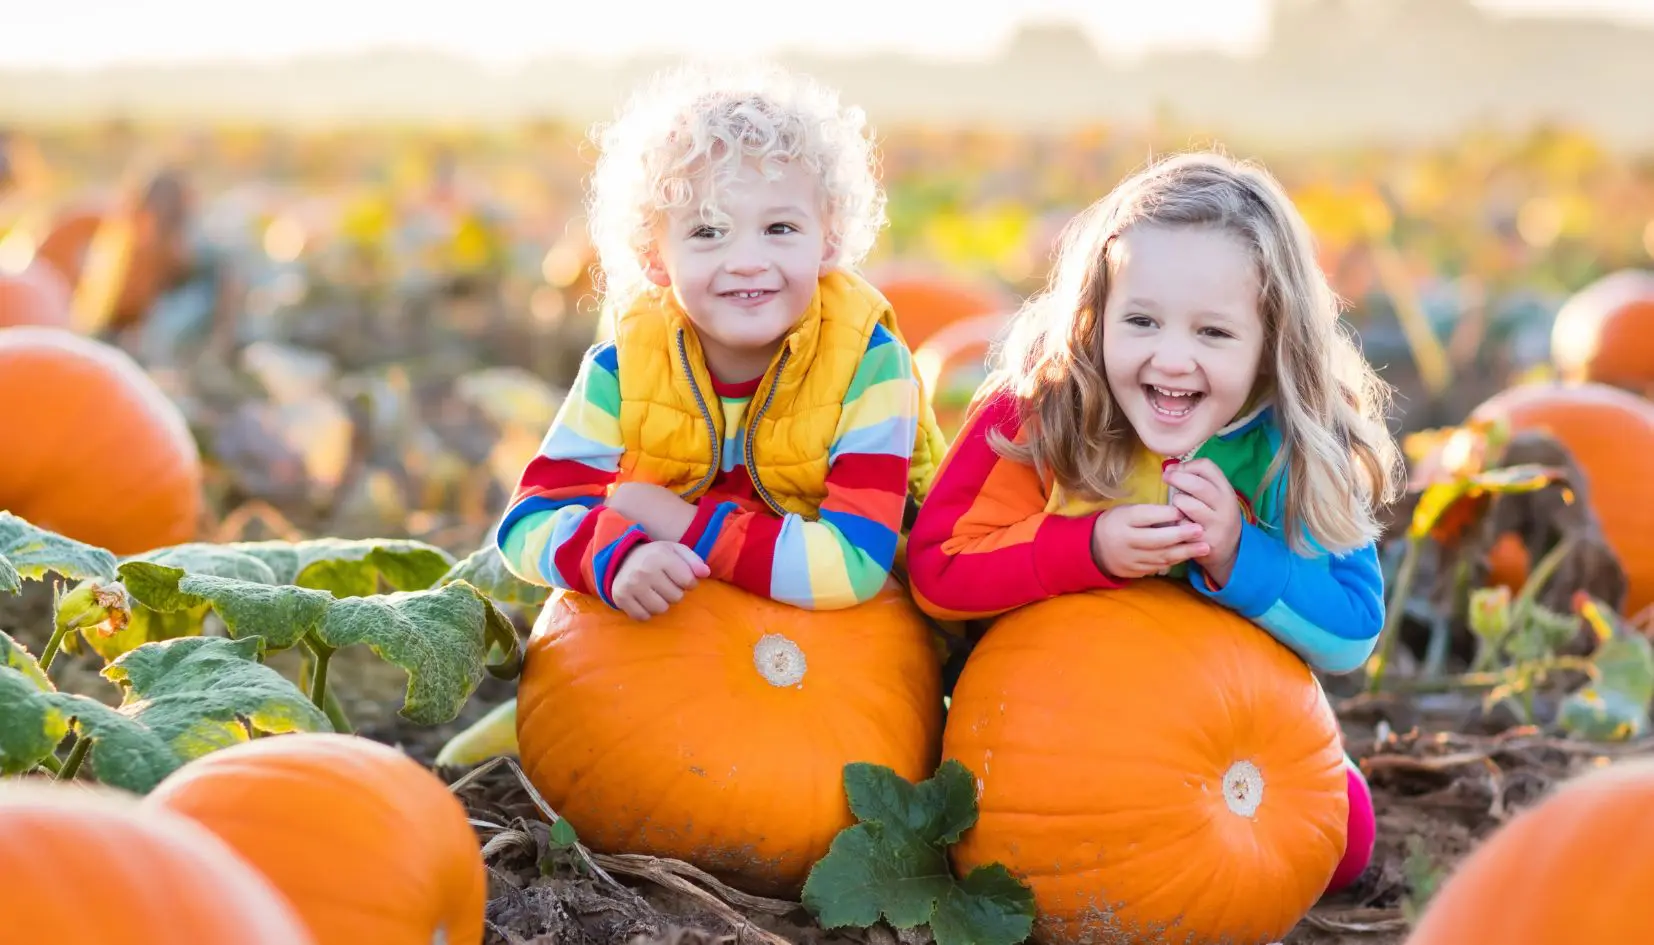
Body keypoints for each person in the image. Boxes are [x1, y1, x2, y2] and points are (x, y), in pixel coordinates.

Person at [905, 151, 1404, 896]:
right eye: (1141, 321)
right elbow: (937, 568)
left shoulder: (1289, 448)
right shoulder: (1037, 418)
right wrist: (1088, 548)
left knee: (1344, 842)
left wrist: (1241, 554)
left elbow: (1353, 631)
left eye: (1213, 334)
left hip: (1215, 734)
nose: (1172, 359)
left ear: (1273, 341)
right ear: (1093, 313)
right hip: (1042, 732)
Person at [495, 61, 949, 621]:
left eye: (779, 229)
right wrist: (619, 555)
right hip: (671, 644)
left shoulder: (870, 365)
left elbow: (852, 564)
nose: (748, 262)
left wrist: (677, 521)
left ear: (828, 241)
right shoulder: (624, 368)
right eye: (708, 232)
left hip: (839, 650)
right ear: (654, 258)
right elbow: (527, 523)